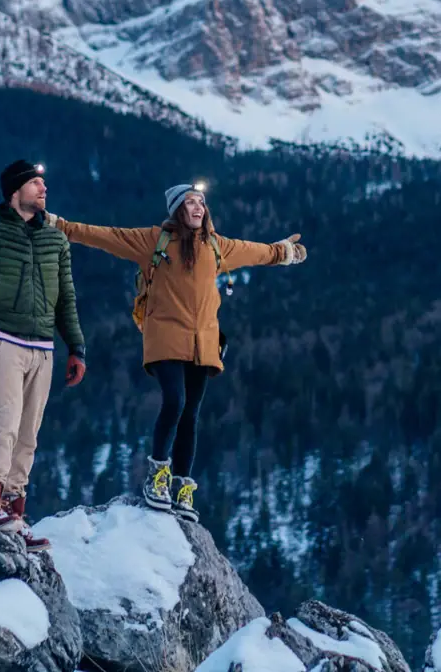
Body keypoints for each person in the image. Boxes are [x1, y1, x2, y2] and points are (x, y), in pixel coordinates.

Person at [47, 182, 306, 523]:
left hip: (204, 342)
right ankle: (158, 476)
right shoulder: (155, 240)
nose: (198, 207)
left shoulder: (216, 245)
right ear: (176, 210)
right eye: (190, 202)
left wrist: (282, 252)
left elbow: (256, 252)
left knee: (191, 414)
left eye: (201, 202)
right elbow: (106, 235)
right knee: (175, 401)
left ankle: (183, 487)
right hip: (165, 335)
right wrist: (59, 225)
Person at [0, 159, 87, 549]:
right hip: (1, 340)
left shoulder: (56, 240)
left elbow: (67, 298)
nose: (43, 189)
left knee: (28, 435)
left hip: (43, 348)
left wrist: (76, 347)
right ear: (15, 191)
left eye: (43, 183)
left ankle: (13, 515)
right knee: (5, 424)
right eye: (34, 183)